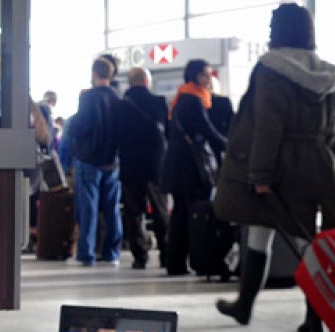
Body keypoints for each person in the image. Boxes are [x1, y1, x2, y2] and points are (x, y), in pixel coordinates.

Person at [213, 4, 335, 332]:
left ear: (277, 30)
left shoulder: (271, 69)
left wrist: (259, 174)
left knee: (298, 239)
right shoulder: (325, 74)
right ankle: (246, 305)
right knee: (274, 233)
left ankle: (314, 317)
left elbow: (267, 126)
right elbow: (333, 128)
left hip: (280, 164)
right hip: (316, 161)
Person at [162, 59, 228, 275]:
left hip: (179, 166)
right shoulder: (193, 100)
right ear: (196, 77)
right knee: (189, 215)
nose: (210, 80)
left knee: (180, 213)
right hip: (190, 168)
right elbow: (207, 131)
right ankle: (185, 261)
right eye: (207, 75)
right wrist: (231, 145)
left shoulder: (183, 96)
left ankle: (175, 262)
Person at [114, 67, 170, 269]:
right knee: (160, 210)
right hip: (155, 165)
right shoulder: (159, 102)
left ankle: (139, 256)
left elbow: (114, 135)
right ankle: (166, 253)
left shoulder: (119, 107)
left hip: (130, 165)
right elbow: (169, 133)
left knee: (133, 212)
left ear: (130, 82)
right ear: (146, 81)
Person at [67, 57, 122, 266]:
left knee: (88, 208)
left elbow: (79, 126)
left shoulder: (89, 97)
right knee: (112, 208)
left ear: (94, 73)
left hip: (89, 159)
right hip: (112, 161)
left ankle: (86, 253)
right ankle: (112, 253)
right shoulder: (117, 98)